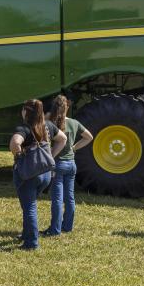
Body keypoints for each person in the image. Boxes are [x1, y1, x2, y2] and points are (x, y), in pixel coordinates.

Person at [9, 99, 68, 250]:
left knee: (29, 207)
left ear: (26, 111)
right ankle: (26, 234)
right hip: (45, 174)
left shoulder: (24, 128)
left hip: (29, 174)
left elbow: (15, 142)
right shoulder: (48, 125)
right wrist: (51, 156)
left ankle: (31, 243)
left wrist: (19, 157)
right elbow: (63, 139)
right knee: (29, 205)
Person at [43, 95, 93, 236]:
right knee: (69, 198)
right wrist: (74, 147)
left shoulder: (50, 123)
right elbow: (89, 137)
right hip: (71, 164)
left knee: (57, 199)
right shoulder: (75, 123)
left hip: (57, 164)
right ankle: (67, 226)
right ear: (67, 108)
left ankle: (55, 229)